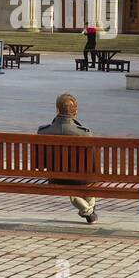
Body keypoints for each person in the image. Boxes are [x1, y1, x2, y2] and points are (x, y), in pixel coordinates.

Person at [37, 93, 98, 224]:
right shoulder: (85, 133)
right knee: (85, 181)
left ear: (57, 110)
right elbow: (92, 166)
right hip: (80, 179)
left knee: (72, 184)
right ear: (75, 112)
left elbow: (38, 164)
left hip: (55, 178)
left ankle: (89, 212)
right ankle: (89, 210)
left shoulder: (43, 131)